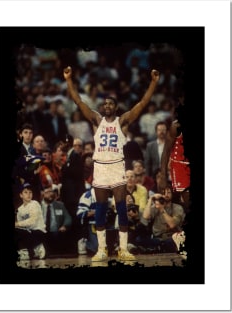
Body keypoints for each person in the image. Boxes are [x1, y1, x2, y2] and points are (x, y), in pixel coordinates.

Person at [63, 65, 160, 262]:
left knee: (121, 207)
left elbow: (142, 103)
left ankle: (123, 249)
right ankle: (102, 249)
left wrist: (153, 83)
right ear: (101, 107)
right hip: (100, 167)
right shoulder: (96, 120)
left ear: (115, 107)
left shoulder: (122, 121)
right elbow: (78, 100)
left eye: (111, 104)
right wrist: (68, 80)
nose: (107, 105)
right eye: (104, 103)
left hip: (116, 166)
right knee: (99, 207)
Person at [136, 185, 185, 253]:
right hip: (158, 238)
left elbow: (172, 224)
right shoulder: (156, 206)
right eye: (164, 193)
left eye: (168, 192)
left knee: (170, 242)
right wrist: (150, 200)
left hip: (172, 237)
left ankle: (156, 248)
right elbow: (145, 217)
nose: (166, 195)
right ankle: (157, 248)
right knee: (139, 239)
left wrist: (162, 209)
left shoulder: (177, 207)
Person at [14, 182, 46, 260]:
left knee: (18, 229)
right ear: (21, 195)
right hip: (29, 232)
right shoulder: (20, 209)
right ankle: (25, 251)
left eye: (30, 192)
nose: (28, 194)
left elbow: (32, 221)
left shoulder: (34, 204)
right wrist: (18, 224)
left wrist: (17, 224)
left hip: (39, 232)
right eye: (25, 192)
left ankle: (37, 247)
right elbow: (21, 226)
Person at [40, 185, 72, 256]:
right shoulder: (37, 205)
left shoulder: (60, 205)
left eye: (52, 192)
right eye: (47, 192)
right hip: (41, 232)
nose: (50, 194)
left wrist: (64, 225)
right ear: (42, 194)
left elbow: (68, 217)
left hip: (56, 232)